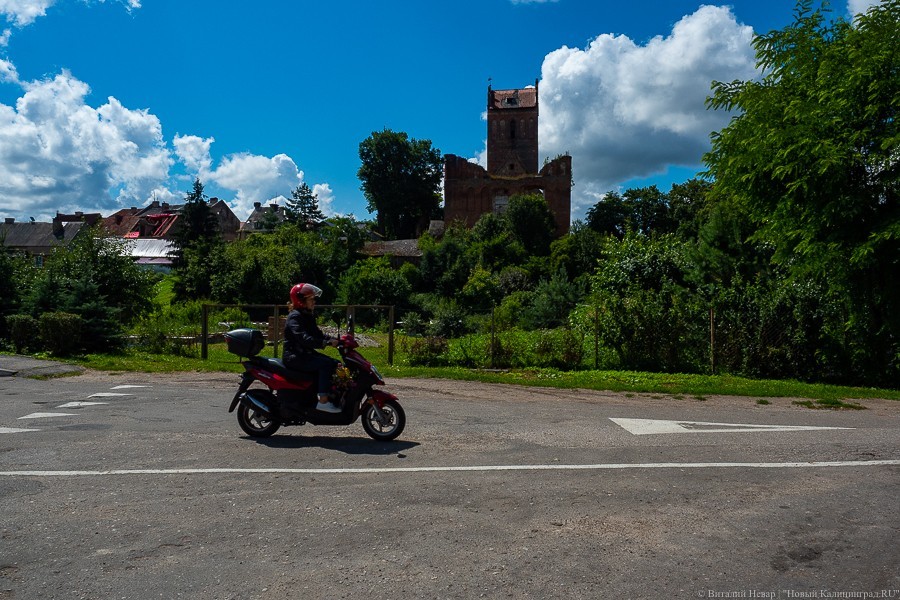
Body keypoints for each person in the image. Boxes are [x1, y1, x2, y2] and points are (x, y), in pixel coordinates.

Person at [282, 283, 342, 413]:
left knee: (335, 363)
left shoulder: (306, 315)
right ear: (301, 301)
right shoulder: (295, 317)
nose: (314, 302)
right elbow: (303, 338)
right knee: (325, 365)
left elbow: (318, 335)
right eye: (311, 299)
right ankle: (323, 401)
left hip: (304, 354)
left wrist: (335, 340)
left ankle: (331, 395)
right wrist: (324, 343)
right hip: (294, 356)